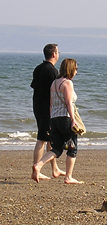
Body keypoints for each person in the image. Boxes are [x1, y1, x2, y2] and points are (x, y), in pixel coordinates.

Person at [32, 58, 83, 184]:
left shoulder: (54, 83)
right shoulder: (67, 83)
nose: (76, 71)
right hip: (65, 118)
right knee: (72, 148)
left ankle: (38, 165)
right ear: (70, 69)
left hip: (54, 119)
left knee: (56, 149)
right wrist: (73, 120)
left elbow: (51, 104)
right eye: (76, 69)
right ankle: (68, 177)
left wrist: (50, 120)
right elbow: (69, 103)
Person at [30, 44, 65, 180]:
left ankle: (54, 169)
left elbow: (35, 87)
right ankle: (36, 169)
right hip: (46, 109)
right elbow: (55, 92)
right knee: (42, 139)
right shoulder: (52, 71)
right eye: (58, 51)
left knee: (50, 138)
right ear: (54, 54)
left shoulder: (38, 68)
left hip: (38, 106)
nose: (58, 54)